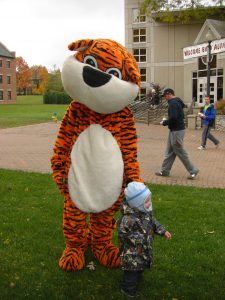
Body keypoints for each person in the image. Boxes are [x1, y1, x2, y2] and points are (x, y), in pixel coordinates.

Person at [117, 181, 171, 298]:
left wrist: (163, 231)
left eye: (149, 199)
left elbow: (154, 223)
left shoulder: (146, 213)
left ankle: (138, 276)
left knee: (140, 267)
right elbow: (122, 233)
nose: (149, 203)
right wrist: (137, 238)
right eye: (146, 201)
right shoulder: (127, 219)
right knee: (131, 272)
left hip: (143, 250)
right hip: (132, 254)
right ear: (136, 203)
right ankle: (127, 289)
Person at [155, 88, 199, 180]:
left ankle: (193, 170)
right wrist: (167, 122)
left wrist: (164, 122)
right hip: (175, 130)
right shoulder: (177, 102)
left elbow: (174, 117)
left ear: (169, 94)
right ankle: (165, 171)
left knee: (180, 151)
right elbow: (178, 116)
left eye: (165, 96)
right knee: (170, 151)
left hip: (177, 131)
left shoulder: (173, 103)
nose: (164, 98)